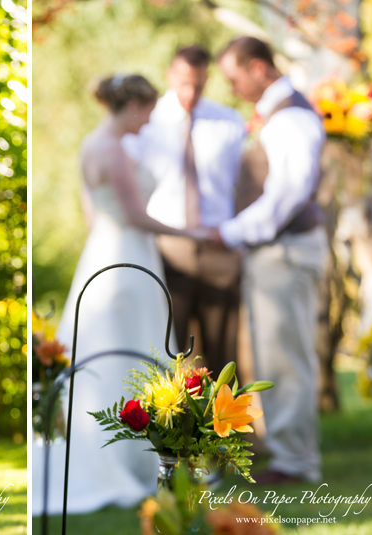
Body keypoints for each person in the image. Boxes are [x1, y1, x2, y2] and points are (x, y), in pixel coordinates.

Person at [32, 74, 209, 516]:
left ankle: (130, 454)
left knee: (114, 354)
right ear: (131, 106)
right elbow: (136, 215)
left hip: (102, 253)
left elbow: (95, 215)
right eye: (147, 110)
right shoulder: (111, 150)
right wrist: (190, 231)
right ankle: (121, 463)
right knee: (130, 354)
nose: (149, 119)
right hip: (129, 260)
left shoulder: (91, 144)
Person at [212, 36, 328, 484]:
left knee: (287, 358)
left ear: (258, 68)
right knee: (273, 356)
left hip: (287, 250)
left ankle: (298, 462)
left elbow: (288, 193)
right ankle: (285, 450)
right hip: (275, 251)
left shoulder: (292, 118)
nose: (234, 86)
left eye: (235, 76)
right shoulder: (279, 114)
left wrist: (231, 231)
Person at [123, 46, 246, 376]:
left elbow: (244, 188)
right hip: (166, 250)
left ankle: (227, 424)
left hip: (218, 247)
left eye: (200, 84)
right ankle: (172, 426)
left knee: (223, 355)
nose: (191, 93)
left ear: (208, 79)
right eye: (184, 83)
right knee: (167, 352)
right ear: (169, 75)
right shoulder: (145, 123)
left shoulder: (230, 123)